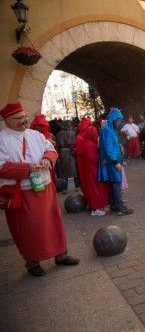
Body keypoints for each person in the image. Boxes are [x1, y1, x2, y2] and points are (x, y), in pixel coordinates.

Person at [0, 102, 79, 277]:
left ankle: (61, 255)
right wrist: (26, 169)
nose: (24, 120)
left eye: (24, 116)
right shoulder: (2, 140)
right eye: (18, 118)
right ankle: (32, 262)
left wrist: (47, 159)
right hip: (23, 192)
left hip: (44, 186)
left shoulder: (35, 134)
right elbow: (1, 167)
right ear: (7, 120)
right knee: (29, 229)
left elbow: (50, 149)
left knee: (54, 222)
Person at [98, 108, 134, 216]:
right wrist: (115, 162)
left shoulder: (111, 129)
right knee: (116, 184)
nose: (119, 121)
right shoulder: (108, 130)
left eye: (120, 119)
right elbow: (108, 148)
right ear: (113, 119)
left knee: (114, 184)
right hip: (112, 162)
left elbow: (115, 146)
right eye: (117, 119)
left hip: (113, 161)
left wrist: (121, 160)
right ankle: (120, 208)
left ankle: (114, 206)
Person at [75, 117, 109, 217]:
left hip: (88, 170)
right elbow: (94, 157)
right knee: (95, 189)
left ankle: (96, 205)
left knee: (92, 188)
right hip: (92, 170)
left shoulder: (82, 139)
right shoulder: (88, 143)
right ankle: (97, 207)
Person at [55, 120, 79, 194]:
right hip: (72, 153)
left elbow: (57, 145)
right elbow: (76, 144)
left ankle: (65, 188)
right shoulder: (74, 133)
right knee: (74, 170)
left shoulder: (58, 134)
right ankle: (77, 186)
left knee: (63, 171)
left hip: (62, 153)